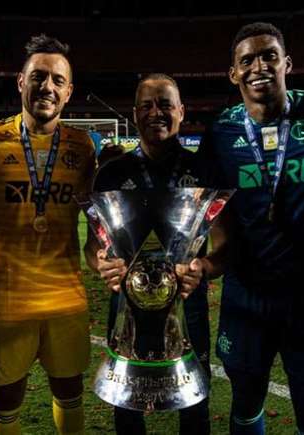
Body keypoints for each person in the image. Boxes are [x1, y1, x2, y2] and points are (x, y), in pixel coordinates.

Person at [196, 22, 304, 434]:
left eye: (269, 55)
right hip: (246, 297)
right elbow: (209, 211)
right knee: (246, 400)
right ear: (233, 73)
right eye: (247, 60)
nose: (259, 66)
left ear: (286, 63)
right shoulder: (221, 131)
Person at [0, 34, 95, 435]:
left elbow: (97, 222)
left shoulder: (83, 146)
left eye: (58, 80)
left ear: (69, 91)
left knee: (70, 392)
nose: (48, 87)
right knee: (6, 403)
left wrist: (103, 253)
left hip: (65, 297)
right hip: (8, 301)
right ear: (20, 81)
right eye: (38, 76)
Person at [86, 73, 209, 434]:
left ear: (182, 112)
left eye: (165, 104)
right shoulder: (111, 173)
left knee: (195, 403)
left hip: (188, 303)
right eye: (147, 105)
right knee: (127, 403)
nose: (156, 112)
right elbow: (93, 244)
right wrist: (102, 264)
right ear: (134, 113)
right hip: (126, 305)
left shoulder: (202, 169)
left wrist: (204, 266)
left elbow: (226, 242)